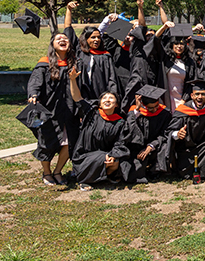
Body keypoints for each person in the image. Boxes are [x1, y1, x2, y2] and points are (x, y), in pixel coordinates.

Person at [26, 31, 78, 186]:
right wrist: (33, 94)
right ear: (53, 44)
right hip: (49, 109)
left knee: (69, 142)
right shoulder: (44, 63)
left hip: (70, 109)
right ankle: (47, 172)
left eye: (65, 38)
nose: (62, 40)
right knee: (46, 142)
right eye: (58, 39)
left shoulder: (75, 63)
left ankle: (58, 171)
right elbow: (35, 81)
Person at [67, 68, 130, 190]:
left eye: (111, 98)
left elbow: (120, 142)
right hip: (83, 156)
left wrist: (113, 155)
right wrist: (73, 80)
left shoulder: (120, 122)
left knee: (115, 163)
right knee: (102, 157)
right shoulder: (92, 113)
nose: (107, 100)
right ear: (100, 103)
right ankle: (84, 180)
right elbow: (77, 98)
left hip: (104, 155)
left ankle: (104, 176)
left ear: (116, 104)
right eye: (104, 98)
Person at [166, 79, 205, 181]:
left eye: (203, 94)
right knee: (184, 173)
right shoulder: (182, 110)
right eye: (197, 94)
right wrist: (177, 134)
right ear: (192, 96)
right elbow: (169, 131)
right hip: (186, 147)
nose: (200, 97)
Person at [123, 85, 173, 183]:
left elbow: (165, 133)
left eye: (156, 106)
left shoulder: (164, 113)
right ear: (143, 105)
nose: (154, 110)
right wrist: (137, 110)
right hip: (137, 146)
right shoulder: (135, 112)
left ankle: (155, 170)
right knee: (134, 173)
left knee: (166, 144)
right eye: (150, 108)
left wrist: (151, 146)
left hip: (156, 145)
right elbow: (129, 130)